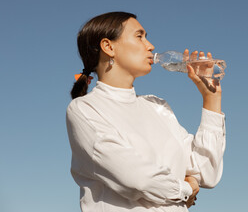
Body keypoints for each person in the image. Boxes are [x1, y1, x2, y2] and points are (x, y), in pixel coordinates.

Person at [66, 11, 226, 212]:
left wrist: (211, 99)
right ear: (108, 46)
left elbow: (206, 171)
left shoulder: (157, 106)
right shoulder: (86, 109)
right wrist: (187, 187)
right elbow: (137, 178)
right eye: (139, 36)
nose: (150, 46)